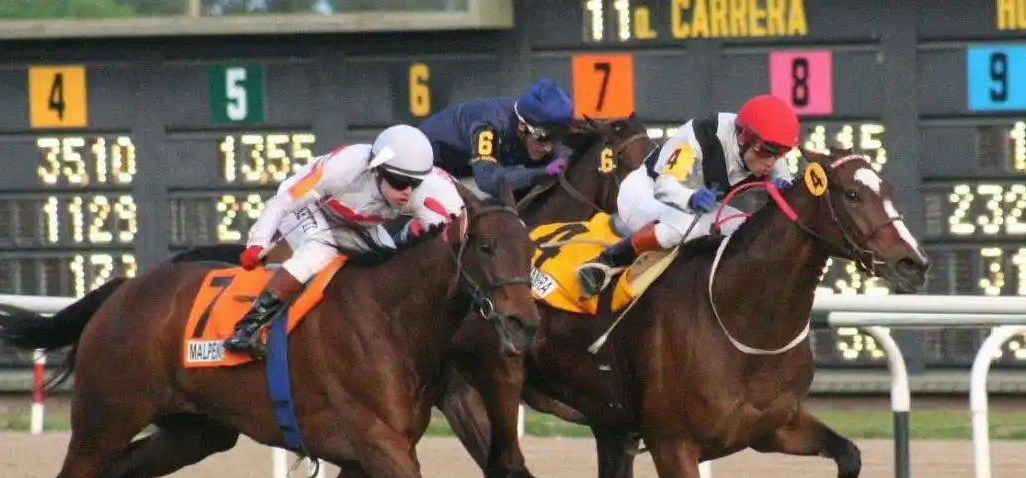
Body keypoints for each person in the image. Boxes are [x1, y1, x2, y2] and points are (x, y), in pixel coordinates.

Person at [223, 123, 464, 358]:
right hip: (311, 208)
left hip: (357, 222)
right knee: (318, 251)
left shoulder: (427, 189)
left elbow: (453, 236)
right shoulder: (344, 168)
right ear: (376, 169)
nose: (408, 192)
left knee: (392, 266)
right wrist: (258, 242)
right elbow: (282, 203)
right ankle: (247, 328)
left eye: (415, 183)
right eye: (400, 182)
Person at [576, 93, 800, 298]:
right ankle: (604, 264)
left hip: (690, 206)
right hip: (645, 194)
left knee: (747, 228)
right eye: (767, 152)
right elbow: (664, 186)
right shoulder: (698, 139)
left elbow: (780, 170)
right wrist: (691, 199)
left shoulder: (762, 146)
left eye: (782, 154)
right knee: (691, 224)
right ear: (743, 138)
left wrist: (785, 184)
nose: (772, 162)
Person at [418, 77, 574, 202]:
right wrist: (541, 173)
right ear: (522, 126)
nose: (548, 147)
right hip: (425, 165)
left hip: (465, 170)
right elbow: (487, 180)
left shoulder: (539, 129)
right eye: (542, 138)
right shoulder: (489, 126)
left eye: (555, 138)